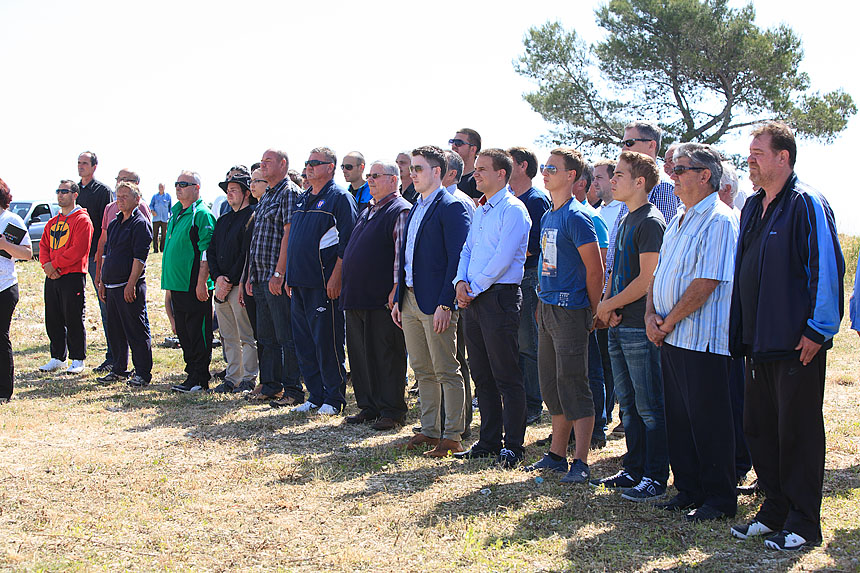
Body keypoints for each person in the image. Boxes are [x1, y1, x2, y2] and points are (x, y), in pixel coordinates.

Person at [729, 121, 844, 551]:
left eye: (759, 151)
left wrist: (818, 329)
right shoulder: (752, 207)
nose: (751, 159)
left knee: (798, 433)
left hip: (797, 344)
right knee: (760, 430)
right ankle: (773, 509)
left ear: (784, 157)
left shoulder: (807, 202)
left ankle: (803, 522)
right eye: (750, 152)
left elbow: (827, 267)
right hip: (757, 344)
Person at [646, 143, 739, 521]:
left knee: (710, 421)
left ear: (705, 175)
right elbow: (659, 273)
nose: (673, 176)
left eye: (681, 169)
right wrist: (651, 313)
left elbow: (707, 281)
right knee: (681, 419)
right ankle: (689, 489)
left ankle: (718, 499)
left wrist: (666, 321)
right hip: (670, 335)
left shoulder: (719, 218)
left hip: (702, 338)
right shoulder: (681, 217)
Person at [591, 151, 669, 502]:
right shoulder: (625, 219)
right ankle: (634, 469)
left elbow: (647, 279)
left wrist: (610, 304)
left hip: (639, 325)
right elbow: (614, 271)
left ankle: (655, 476)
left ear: (640, 182)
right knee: (629, 403)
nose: (613, 180)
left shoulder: (651, 221)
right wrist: (607, 305)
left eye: (620, 175)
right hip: (619, 322)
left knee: (650, 405)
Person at [523, 147, 603, 483]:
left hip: (572, 309)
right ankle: (556, 454)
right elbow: (546, 263)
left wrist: (593, 310)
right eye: (544, 167)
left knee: (574, 383)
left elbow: (595, 269)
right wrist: (542, 299)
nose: (545, 172)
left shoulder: (576, 216)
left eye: (552, 168)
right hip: (549, 306)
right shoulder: (548, 215)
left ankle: (581, 461)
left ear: (572, 176)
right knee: (552, 384)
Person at [453, 148, 531, 468]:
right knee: (482, 374)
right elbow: (468, 249)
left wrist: (474, 287)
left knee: (506, 376)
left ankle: (512, 445)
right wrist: (460, 282)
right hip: (474, 297)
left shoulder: (513, 210)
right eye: (476, 170)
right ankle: (488, 441)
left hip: (498, 297)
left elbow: (503, 257)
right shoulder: (481, 209)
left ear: (502, 174)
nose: (476, 175)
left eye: (483, 169)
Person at [392, 145, 469, 456]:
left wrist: (446, 303)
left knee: (446, 369)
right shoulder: (415, 205)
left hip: (437, 302)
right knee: (422, 370)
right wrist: (399, 296)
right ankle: (429, 429)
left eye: (419, 168)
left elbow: (457, 260)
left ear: (438, 172)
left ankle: (452, 435)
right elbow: (406, 257)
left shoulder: (452, 207)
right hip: (410, 299)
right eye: (412, 168)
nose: (413, 173)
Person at [341, 160, 411, 430]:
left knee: (386, 354)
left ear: (393, 180)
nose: (370, 180)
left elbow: (400, 253)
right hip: (357, 296)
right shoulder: (368, 208)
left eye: (376, 176)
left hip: (381, 297)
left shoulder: (399, 209)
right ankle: (369, 406)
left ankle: (391, 410)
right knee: (360, 355)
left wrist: (395, 289)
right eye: (368, 176)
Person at [287, 147, 357, 415]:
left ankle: (333, 397)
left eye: (315, 163)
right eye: (307, 162)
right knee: (304, 343)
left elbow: (347, 241)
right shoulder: (304, 198)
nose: (309, 166)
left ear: (330, 167)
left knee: (326, 342)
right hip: (300, 283)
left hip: (323, 284)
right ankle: (314, 395)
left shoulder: (338, 197)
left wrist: (336, 276)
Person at [246, 150, 304, 407]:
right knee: (266, 337)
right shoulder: (268, 193)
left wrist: (280, 273)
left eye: (268, 161)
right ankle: (271, 385)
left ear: (283, 164)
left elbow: (288, 234)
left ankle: (293, 389)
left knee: (285, 336)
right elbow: (257, 239)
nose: (262, 165)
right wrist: (251, 275)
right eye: (261, 161)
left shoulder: (289, 192)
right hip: (259, 277)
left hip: (275, 277)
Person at [507, 146, 551, 427]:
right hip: (513, 278)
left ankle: (534, 404)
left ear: (523, 166)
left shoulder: (536, 201)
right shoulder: (509, 199)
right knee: (515, 343)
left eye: (508, 163)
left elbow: (539, 245)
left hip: (530, 277)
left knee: (529, 343)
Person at [162, 171, 216, 393]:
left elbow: (206, 251)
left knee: (198, 332)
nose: (178, 187)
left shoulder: (201, 214)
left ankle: (200, 378)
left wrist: (202, 281)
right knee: (183, 332)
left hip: (194, 286)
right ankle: (190, 373)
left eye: (184, 184)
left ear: (197, 188)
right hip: (177, 284)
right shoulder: (175, 214)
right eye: (176, 184)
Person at [96, 181, 153, 388]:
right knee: (115, 331)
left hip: (129, 286)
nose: (120, 200)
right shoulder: (114, 223)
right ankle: (119, 369)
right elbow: (107, 253)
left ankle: (143, 373)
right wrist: (102, 281)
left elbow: (140, 258)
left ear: (137, 199)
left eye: (125, 196)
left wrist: (131, 284)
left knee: (136, 331)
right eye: (118, 197)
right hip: (111, 286)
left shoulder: (140, 223)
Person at [573, 162, 610, 449]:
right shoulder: (558, 214)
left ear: (581, 184)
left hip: (585, 306)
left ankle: (596, 428)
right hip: (566, 307)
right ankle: (573, 427)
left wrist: (596, 307)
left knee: (590, 369)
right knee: (572, 371)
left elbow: (600, 266)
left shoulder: (590, 218)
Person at [38, 180, 94, 374]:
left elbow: (78, 249)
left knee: (73, 317)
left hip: (72, 275)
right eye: (58, 191)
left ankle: (78, 358)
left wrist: (55, 264)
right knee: (53, 316)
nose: (60, 195)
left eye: (65, 191)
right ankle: (57, 357)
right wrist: (47, 266)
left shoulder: (82, 220)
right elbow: (44, 245)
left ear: (75, 194)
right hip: (53, 276)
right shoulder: (53, 222)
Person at [209, 173, 258, 394]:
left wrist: (230, 280)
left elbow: (246, 254)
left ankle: (249, 378)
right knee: (228, 335)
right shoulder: (223, 219)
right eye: (227, 190)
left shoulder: (252, 217)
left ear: (246, 193)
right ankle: (232, 377)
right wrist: (217, 277)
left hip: (238, 286)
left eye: (234, 190)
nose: (229, 194)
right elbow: (211, 251)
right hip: (221, 286)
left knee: (246, 335)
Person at [77, 151, 115, 373]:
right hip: (75, 259)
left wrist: (101, 257)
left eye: (84, 163)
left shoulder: (103, 192)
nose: (81, 166)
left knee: (106, 306)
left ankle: (114, 356)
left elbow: (107, 227)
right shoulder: (74, 191)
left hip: (94, 257)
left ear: (94, 167)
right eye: (78, 163)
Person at [0, 177, 33, 403]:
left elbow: (28, 253)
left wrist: (5, 245)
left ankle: (4, 391)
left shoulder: (11, 220)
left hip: (4, 287)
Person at [450, 128, 481, 202]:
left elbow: (475, 211)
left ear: (473, 149)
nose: (454, 146)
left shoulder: (478, 179)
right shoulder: (447, 177)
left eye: (458, 143)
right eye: (452, 142)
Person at [150, 183, 172, 252]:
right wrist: (152, 211)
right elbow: (151, 205)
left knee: (164, 235)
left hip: (164, 219)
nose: (161, 188)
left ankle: (162, 249)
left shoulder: (168, 196)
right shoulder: (155, 196)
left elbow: (170, 208)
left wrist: (171, 217)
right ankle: (155, 249)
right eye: (159, 187)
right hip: (156, 218)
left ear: (164, 187)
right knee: (155, 234)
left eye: (162, 187)